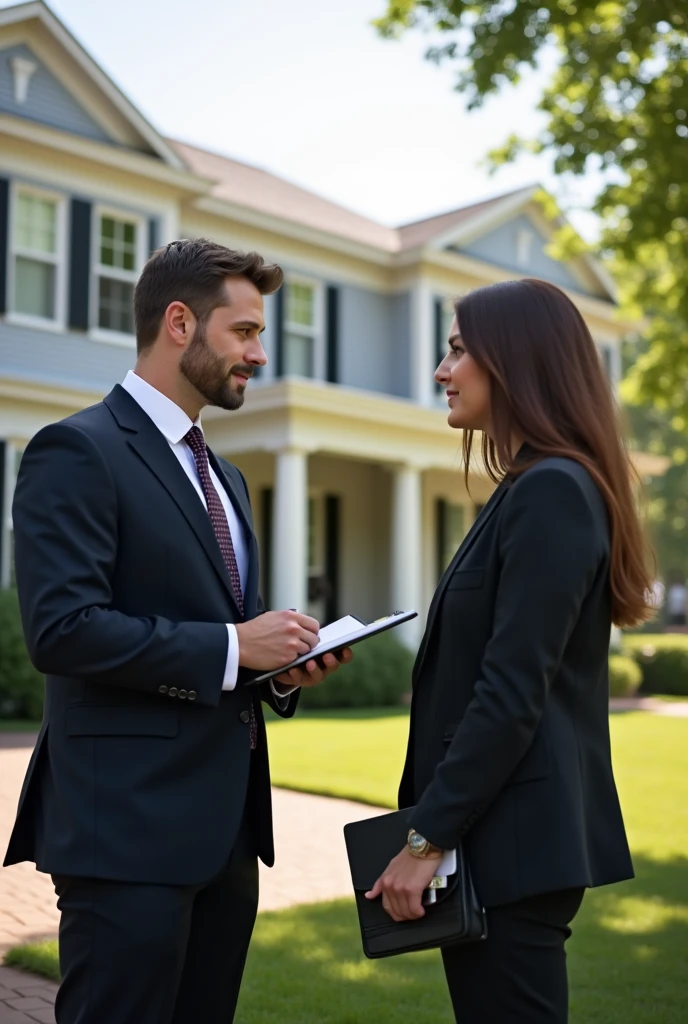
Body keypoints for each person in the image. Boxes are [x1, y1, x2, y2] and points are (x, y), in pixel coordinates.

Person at [4, 238, 351, 1024]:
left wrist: (283, 667)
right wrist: (235, 646)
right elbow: (62, 630)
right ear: (180, 323)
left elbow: (231, 645)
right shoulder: (77, 449)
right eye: (245, 333)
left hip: (227, 835)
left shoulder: (224, 476)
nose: (259, 355)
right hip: (124, 831)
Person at [367, 278, 653, 1023]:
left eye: (458, 349)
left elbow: (510, 690)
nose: (441, 371)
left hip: (513, 846)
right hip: (504, 839)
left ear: (516, 360)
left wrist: (426, 837)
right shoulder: (528, 486)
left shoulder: (552, 490)